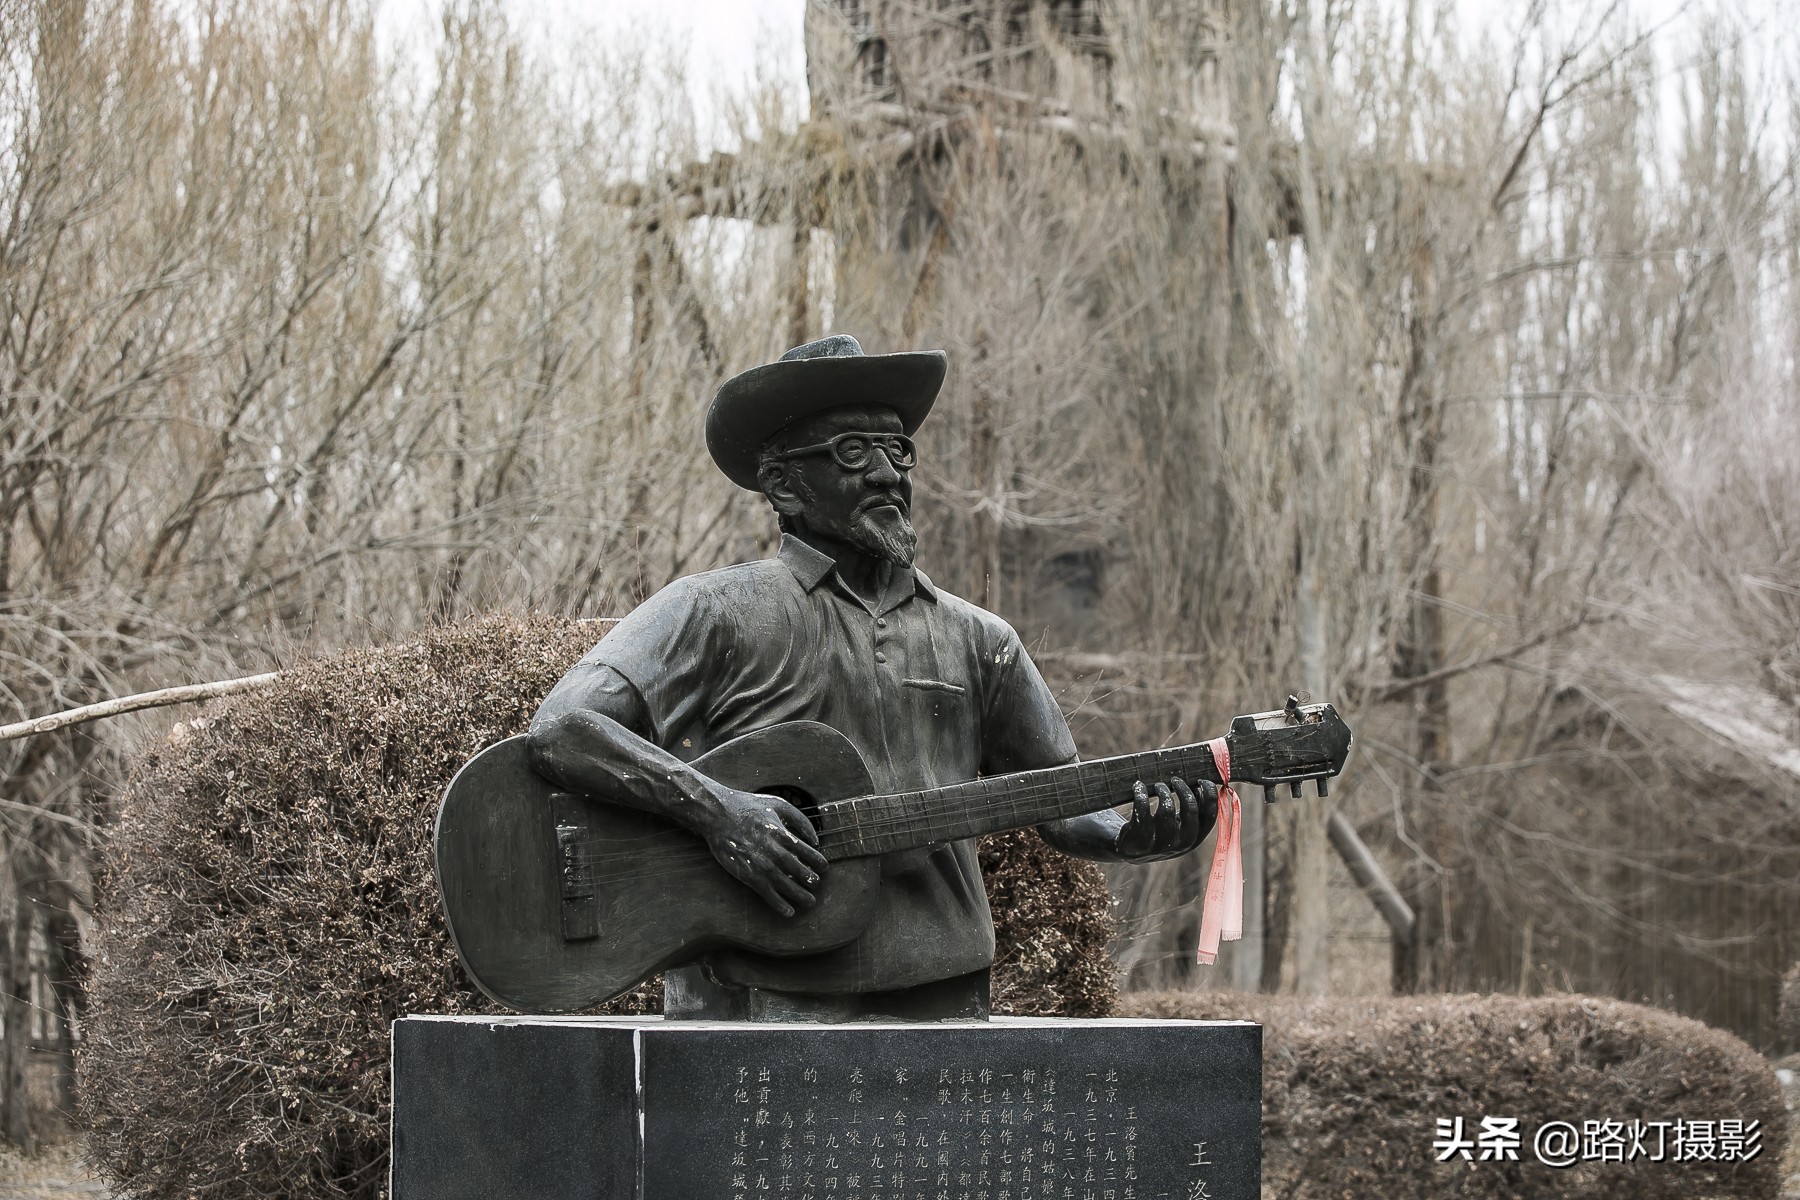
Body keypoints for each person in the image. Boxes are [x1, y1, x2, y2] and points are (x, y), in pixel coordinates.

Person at [525, 335, 1216, 1020]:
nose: (888, 474)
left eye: (898, 451)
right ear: (783, 485)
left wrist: (1132, 832)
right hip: (762, 986)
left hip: (943, 985)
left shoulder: (980, 639)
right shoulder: (711, 611)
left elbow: (1063, 800)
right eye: (853, 452)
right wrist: (715, 810)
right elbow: (563, 729)